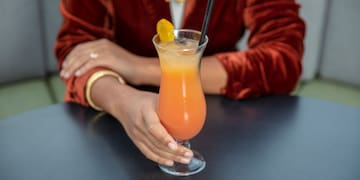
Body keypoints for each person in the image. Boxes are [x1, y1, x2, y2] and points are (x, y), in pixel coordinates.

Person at [55, 0, 305, 167]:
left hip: (225, 127)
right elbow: (75, 52)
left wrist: (139, 67)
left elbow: (284, 57)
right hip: (114, 132)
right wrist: (122, 101)